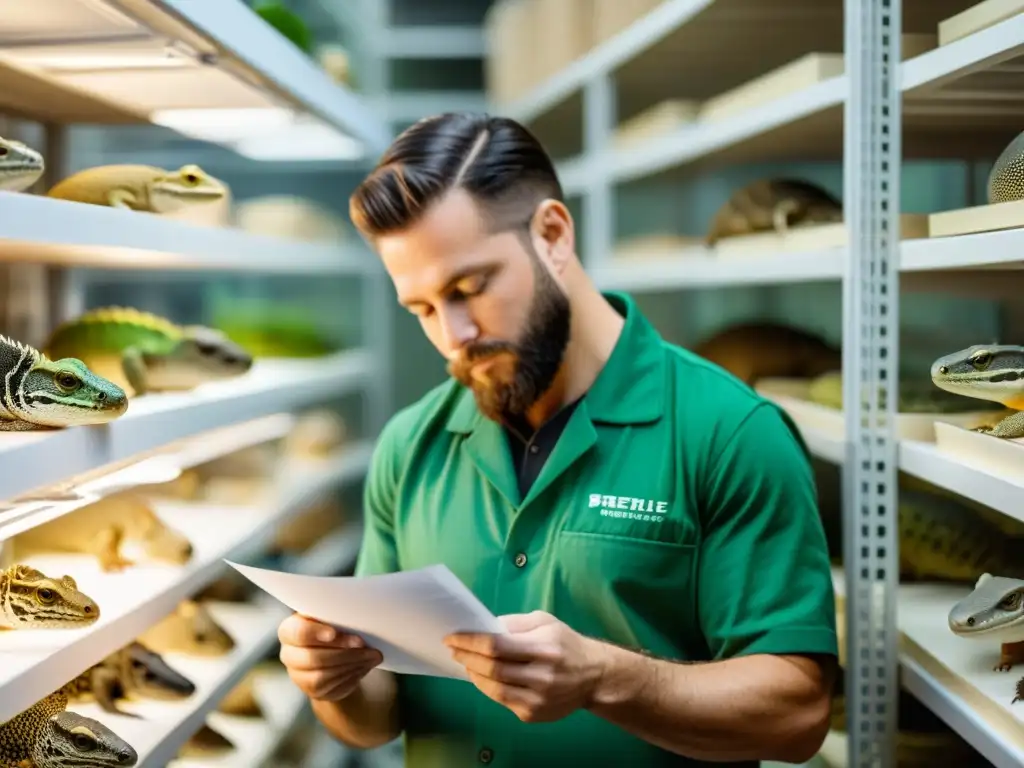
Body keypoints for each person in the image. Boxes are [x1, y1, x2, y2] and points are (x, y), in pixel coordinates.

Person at [277, 112, 838, 767]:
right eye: (423, 309)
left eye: (469, 288)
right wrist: (336, 684)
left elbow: (797, 715)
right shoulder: (410, 446)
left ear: (551, 234)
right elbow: (377, 717)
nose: (452, 336)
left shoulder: (729, 433)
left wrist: (605, 678)